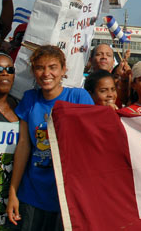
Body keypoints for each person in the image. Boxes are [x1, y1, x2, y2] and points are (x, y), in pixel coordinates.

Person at [7, 45, 94, 230]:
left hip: (68, 196)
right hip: (33, 194)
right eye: (40, 67)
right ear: (33, 71)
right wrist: (13, 192)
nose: (46, 73)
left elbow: (92, 144)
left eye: (53, 67)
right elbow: (23, 146)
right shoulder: (29, 99)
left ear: (63, 70)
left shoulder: (79, 97)